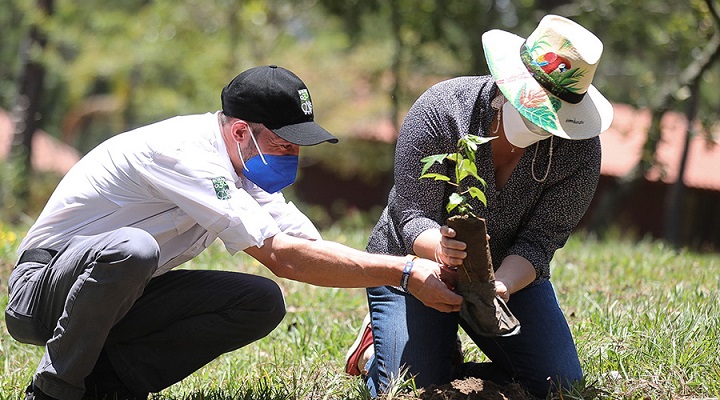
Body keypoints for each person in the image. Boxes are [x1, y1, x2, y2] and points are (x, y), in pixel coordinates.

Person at [6, 64, 464, 400]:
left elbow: (306, 246)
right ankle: (53, 391)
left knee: (259, 302)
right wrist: (401, 271)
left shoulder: (242, 168)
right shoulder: (185, 152)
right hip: (41, 293)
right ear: (242, 130)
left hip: (119, 298)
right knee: (133, 249)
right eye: (283, 144)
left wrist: (379, 298)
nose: (291, 157)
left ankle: (107, 387)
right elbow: (281, 257)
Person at [344, 15, 614, 398]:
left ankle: (444, 357)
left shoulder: (580, 151)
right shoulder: (441, 110)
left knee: (560, 385)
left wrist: (498, 286)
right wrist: (440, 247)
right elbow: (409, 212)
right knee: (409, 388)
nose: (540, 126)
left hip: (508, 277)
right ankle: (379, 350)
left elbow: (539, 242)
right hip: (415, 265)